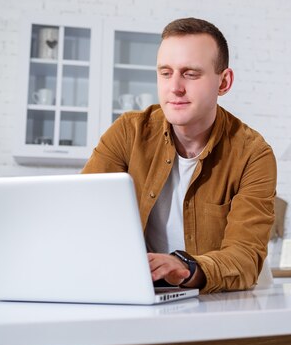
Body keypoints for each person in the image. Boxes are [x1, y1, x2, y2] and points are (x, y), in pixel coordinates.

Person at [82, 18, 277, 294]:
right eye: (165, 73)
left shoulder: (253, 154)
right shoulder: (128, 132)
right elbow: (84, 217)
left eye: (190, 74)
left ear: (224, 82)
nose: (175, 87)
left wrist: (184, 267)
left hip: (228, 299)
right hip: (146, 294)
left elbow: (244, 257)